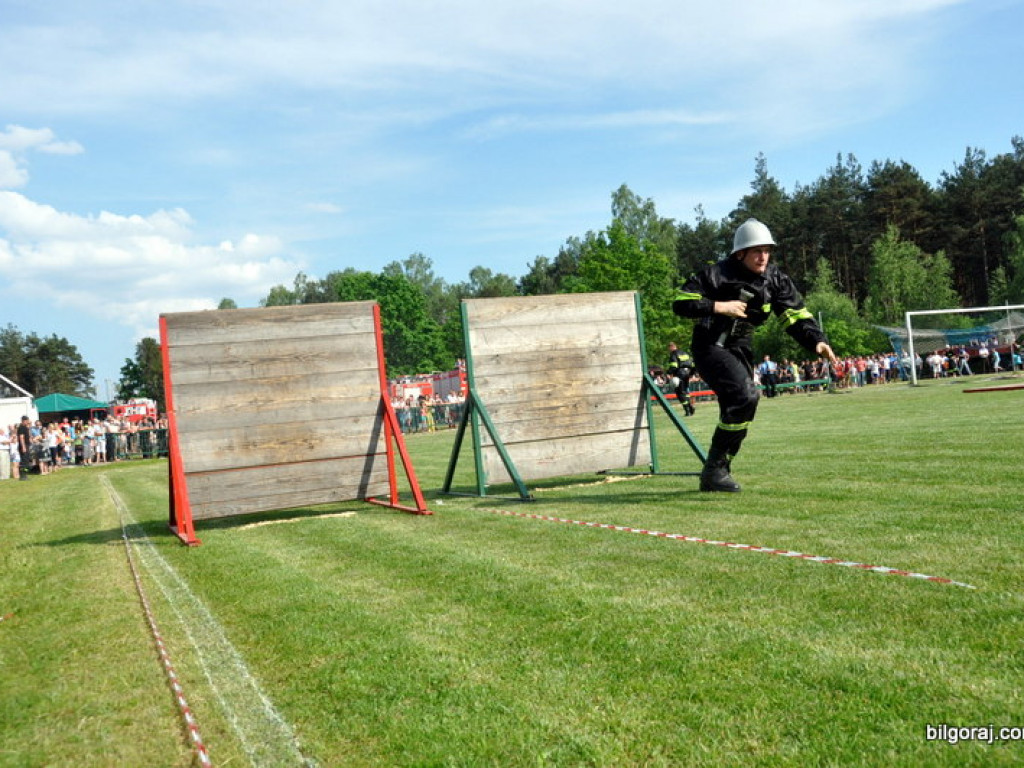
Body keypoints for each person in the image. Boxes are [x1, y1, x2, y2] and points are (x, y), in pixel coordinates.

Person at [672, 218, 838, 492]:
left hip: (742, 347)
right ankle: (715, 470)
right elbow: (680, 302)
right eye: (756, 251)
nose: (763, 257)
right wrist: (719, 306)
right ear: (741, 253)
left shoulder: (775, 279)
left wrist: (817, 341)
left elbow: (795, 315)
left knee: (742, 407)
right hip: (710, 345)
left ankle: (716, 472)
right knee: (746, 395)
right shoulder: (716, 274)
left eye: (767, 250)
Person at [667, 342, 696, 416]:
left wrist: (668, 373)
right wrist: (691, 374)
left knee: (680, 394)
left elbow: (674, 366)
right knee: (685, 392)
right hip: (687, 374)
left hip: (679, 375)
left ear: (670, 347)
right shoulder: (685, 353)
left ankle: (688, 411)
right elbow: (693, 364)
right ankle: (690, 407)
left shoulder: (673, 354)